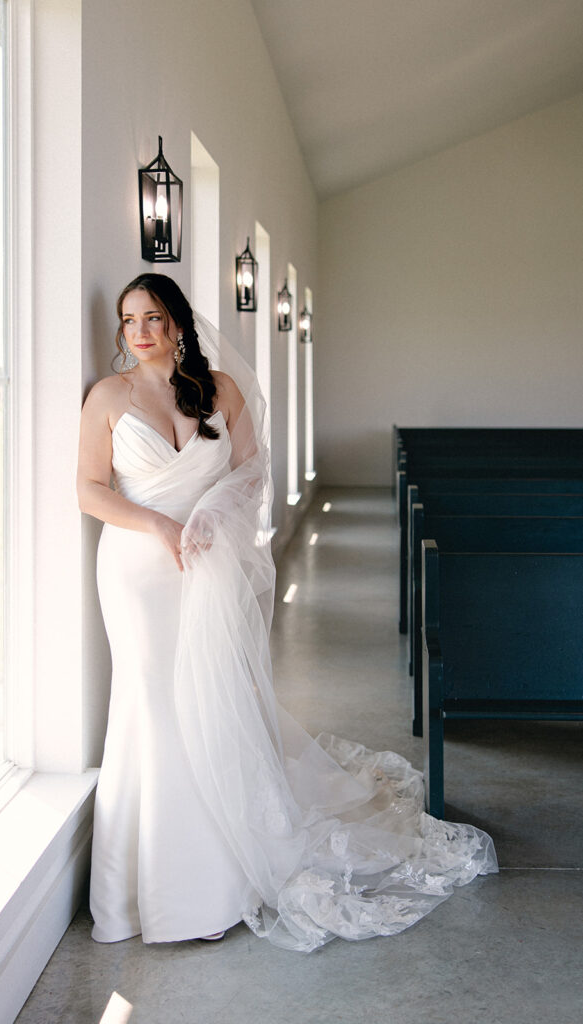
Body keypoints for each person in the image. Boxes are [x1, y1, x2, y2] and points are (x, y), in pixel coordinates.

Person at [77, 273, 497, 952]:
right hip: (137, 571)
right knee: (151, 704)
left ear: (178, 323)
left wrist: (211, 516)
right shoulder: (107, 397)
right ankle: (138, 893)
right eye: (128, 320)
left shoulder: (218, 389)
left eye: (153, 317)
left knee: (211, 700)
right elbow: (90, 490)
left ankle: (211, 885)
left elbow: (250, 472)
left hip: (208, 560)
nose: (140, 332)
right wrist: (157, 525)